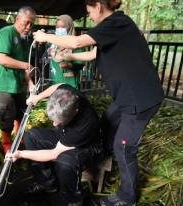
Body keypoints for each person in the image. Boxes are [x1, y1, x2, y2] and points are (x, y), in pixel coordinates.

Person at [33, 0, 165, 205]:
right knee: (108, 121)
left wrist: (44, 36)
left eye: (89, 11)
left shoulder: (117, 23)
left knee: (124, 148)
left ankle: (127, 197)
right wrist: (68, 55)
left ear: (98, 5)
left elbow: (77, 42)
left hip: (139, 100)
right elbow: (94, 54)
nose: (90, 16)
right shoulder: (111, 28)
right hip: (126, 97)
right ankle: (102, 153)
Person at [7, 83, 101, 206]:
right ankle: (46, 183)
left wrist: (20, 154)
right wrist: (37, 97)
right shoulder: (67, 93)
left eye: (59, 120)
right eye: (53, 120)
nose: (54, 124)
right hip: (65, 136)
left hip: (88, 147)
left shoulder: (84, 125)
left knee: (65, 162)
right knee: (31, 136)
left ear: (75, 111)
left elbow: (53, 154)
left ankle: (74, 199)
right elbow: (57, 86)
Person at [0, 6, 36, 153]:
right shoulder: (7, 33)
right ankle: (6, 142)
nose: (28, 27)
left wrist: (30, 83)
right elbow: (0, 58)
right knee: (5, 111)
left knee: (20, 109)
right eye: (26, 22)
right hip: (2, 82)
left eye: (32, 24)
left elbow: (24, 67)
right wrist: (25, 65)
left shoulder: (24, 39)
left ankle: (18, 135)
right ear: (17, 19)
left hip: (16, 82)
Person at [48, 15, 84, 89]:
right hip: (54, 84)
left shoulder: (76, 45)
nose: (59, 29)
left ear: (69, 27)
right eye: (57, 27)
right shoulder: (53, 44)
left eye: (63, 27)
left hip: (70, 85)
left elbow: (80, 65)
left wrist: (68, 65)